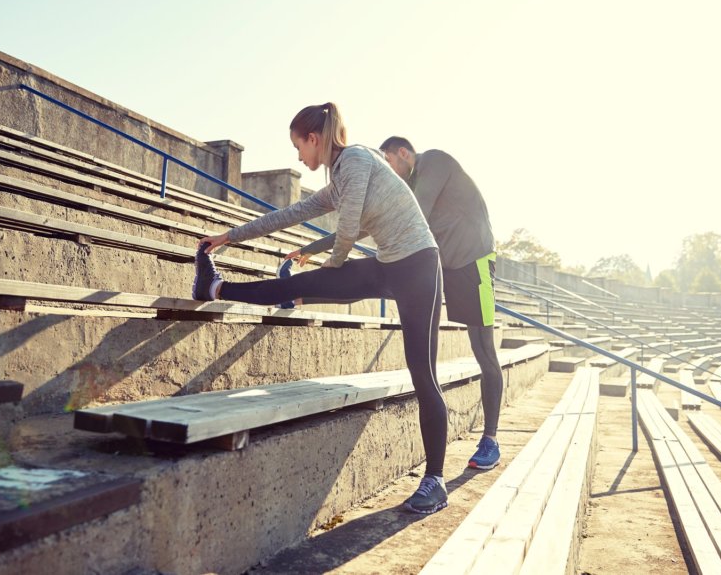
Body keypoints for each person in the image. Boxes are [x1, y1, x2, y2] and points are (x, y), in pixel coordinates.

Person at [193, 103, 450, 514]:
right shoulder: (339, 181)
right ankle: (216, 286)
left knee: (424, 374)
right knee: (301, 283)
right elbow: (289, 214)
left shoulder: (357, 159)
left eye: (299, 147)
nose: (299, 157)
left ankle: (435, 481)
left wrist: (331, 268)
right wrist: (230, 236)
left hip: (419, 265)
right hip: (388, 264)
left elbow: (349, 228)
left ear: (314, 139)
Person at [295, 137, 502, 470]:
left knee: (483, 348)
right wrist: (318, 246)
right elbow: (369, 223)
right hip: (442, 264)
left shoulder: (435, 161)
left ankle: (490, 439)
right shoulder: (406, 183)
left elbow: (412, 212)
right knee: (383, 279)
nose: (389, 173)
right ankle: (300, 294)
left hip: (473, 260)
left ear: (404, 154)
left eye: (389, 163)